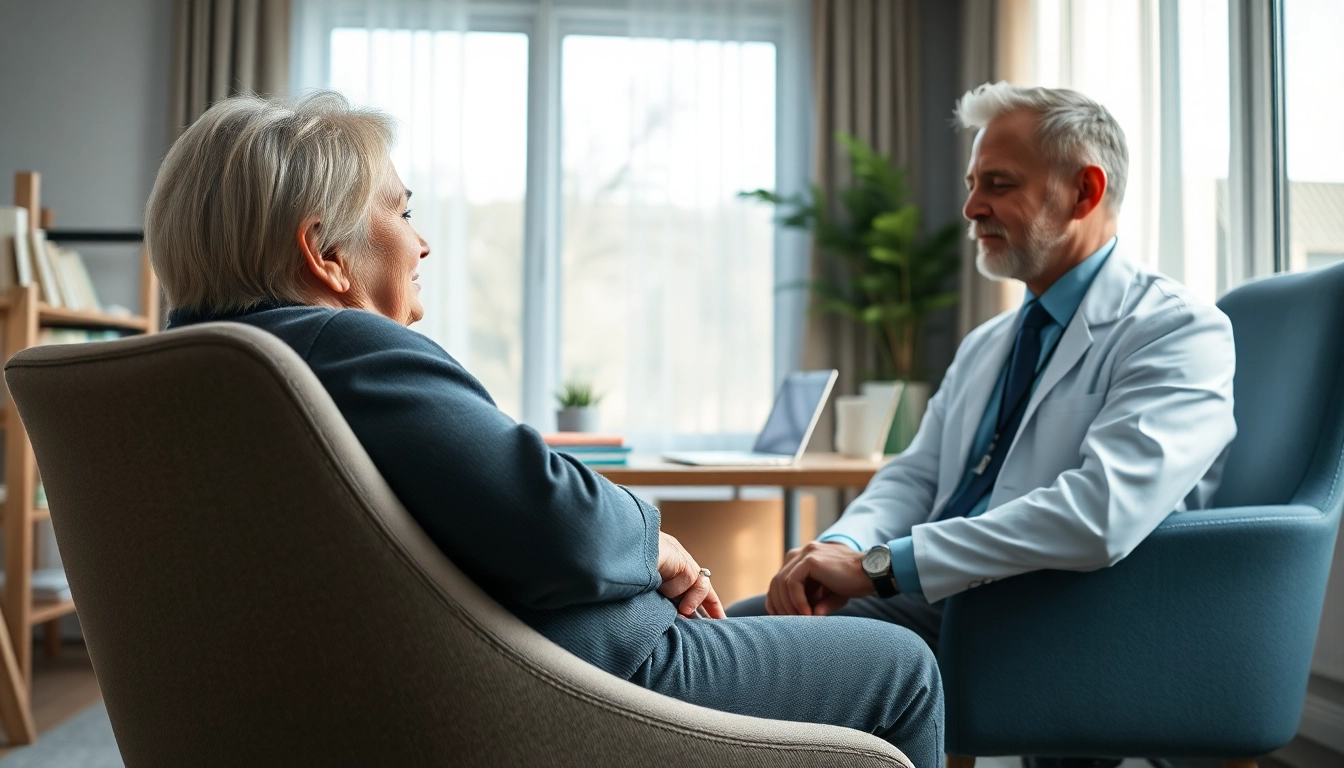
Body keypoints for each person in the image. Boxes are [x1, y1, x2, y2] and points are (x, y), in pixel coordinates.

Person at [144, 92, 943, 765]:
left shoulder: (197, 372)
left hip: (456, 676)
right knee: (902, 665)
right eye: (403, 211)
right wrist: (655, 541)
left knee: (761, 620)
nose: (422, 242)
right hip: (579, 681)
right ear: (325, 253)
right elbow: (560, 526)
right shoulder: (345, 349)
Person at [731, 83, 1236, 668]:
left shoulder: (1177, 330)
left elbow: (1101, 515)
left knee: (735, 652)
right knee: (728, 636)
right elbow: (915, 477)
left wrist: (882, 568)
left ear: (1085, 191)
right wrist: (844, 546)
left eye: (998, 184)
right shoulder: (988, 343)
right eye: (973, 185)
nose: (971, 208)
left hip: (1049, 618)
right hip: (943, 599)